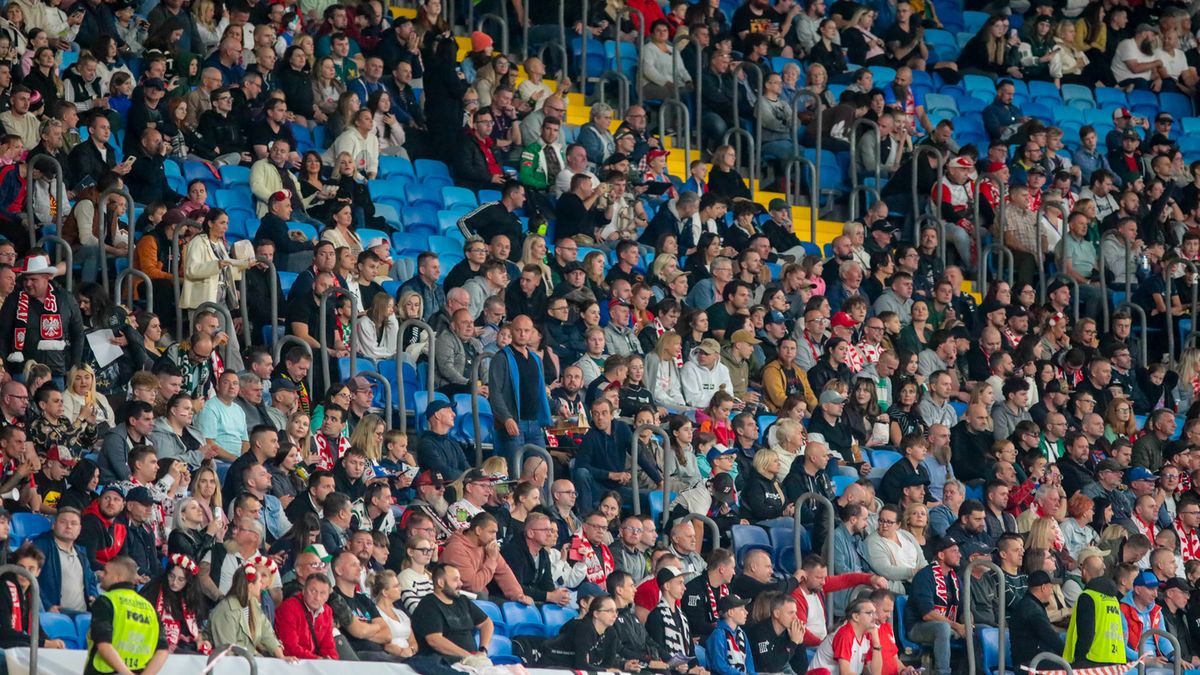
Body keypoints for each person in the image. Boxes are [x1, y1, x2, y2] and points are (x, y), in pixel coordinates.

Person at [83, 556, 170, 675]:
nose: (101, 575)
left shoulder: (106, 601)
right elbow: (163, 651)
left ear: (118, 578)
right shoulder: (149, 607)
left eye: (106, 572)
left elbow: (103, 644)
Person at [905, 537, 966, 675]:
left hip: (948, 625)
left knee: (979, 631)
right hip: (918, 627)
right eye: (954, 551)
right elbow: (928, 614)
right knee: (942, 627)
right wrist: (956, 626)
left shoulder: (954, 578)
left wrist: (968, 624)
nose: (960, 555)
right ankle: (943, 673)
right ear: (941, 555)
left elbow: (963, 609)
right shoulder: (925, 576)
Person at [412, 562, 494, 661]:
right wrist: (469, 656)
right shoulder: (428, 605)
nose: (461, 584)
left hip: (469, 661)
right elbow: (435, 641)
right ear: (441, 583)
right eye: (455, 580)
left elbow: (486, 623)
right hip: (444, 663)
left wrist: (483, 650)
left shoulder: (462, 600)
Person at [1011, 570, 1068, 671]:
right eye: (1051, 587)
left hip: (1033, 660)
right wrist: (1067, 654)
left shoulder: (1031, 604)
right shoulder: (1031, 608)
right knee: (1068, 667)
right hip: (1028, 663)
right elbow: (1049, 635)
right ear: (1043, 587)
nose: (1051, 592)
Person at [275, 572, 339, 660]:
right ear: (303, 590)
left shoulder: (327, 611)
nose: (317, 597)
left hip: (314, 662)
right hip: (293, 663)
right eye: (313, 591)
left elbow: (328, 646)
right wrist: (317, 659)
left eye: (323, 593)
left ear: (328, 596)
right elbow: (289, 647)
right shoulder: (289, 607)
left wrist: (331, 660)